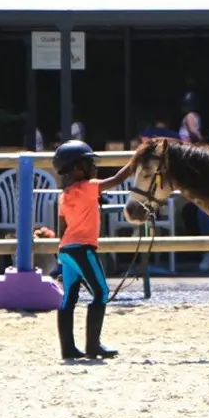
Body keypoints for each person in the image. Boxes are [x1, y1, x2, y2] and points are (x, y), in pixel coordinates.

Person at [53, 139, 145, 360]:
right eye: (89, 164)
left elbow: (61, 228)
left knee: (69, 299)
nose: (94, 168)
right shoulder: (89, 187)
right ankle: (93, 346)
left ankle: (68, 348)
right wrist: (136, 161)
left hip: (66, 251)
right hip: (83, 249)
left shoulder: (63, 195)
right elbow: (117, 179)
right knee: (101, 293)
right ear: (77, 169)